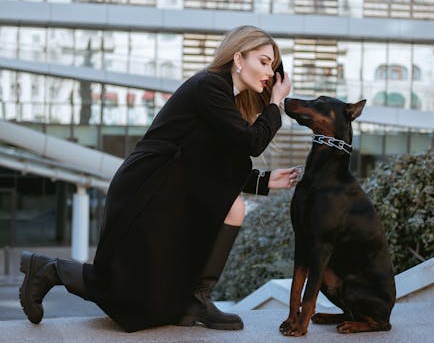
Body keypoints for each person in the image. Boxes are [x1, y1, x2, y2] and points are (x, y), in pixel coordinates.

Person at [19, 25, 298, 332]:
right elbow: (251, 142)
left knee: (160, 299)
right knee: (129, 293)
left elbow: (214, 164)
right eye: (263, 61)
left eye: (272, 66)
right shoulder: (209, 87)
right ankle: (49, 269)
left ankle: (197, 298)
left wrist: (263, 181)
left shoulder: (222, 98)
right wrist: (274, 104)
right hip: (146, 190)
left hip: (164, 189)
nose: (269, 73)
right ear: (238, 58)